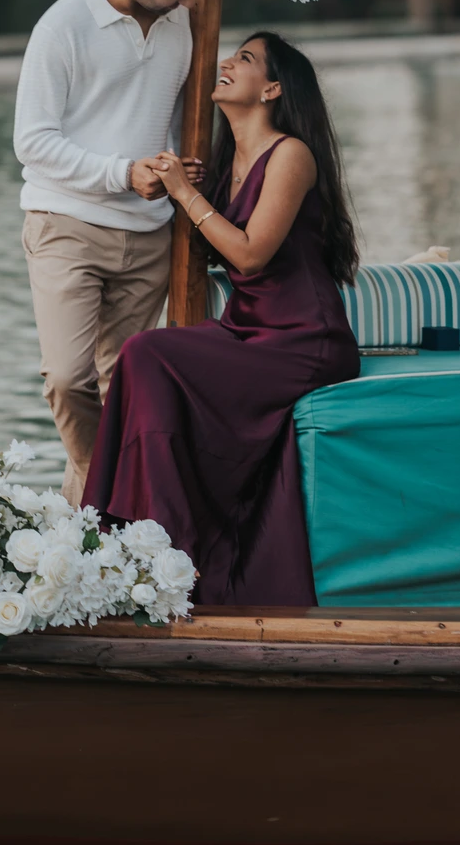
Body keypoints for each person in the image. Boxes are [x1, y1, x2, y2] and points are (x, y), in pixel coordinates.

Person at [82, 31, 360, 605]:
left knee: (146, 353)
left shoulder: (291, 154)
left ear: (272, 89)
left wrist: (187, 195)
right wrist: (175, 189)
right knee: (146, 356)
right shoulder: (228, 161)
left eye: (246, 59)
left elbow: (252, 252)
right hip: (250, 329)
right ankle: (123, 542)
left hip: (303, 339)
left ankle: (165, 549)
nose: (226, 63)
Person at [14, 0, 211, 505]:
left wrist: (177, 168)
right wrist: (123, 173)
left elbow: (175, 117)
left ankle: (88, 536)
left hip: (151, 236)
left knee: (122, 389)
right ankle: (110, 498)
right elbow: (33, 141)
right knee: (68, 379)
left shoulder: (180, 20)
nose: (185, 1)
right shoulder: (63, 26)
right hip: (67, 226)